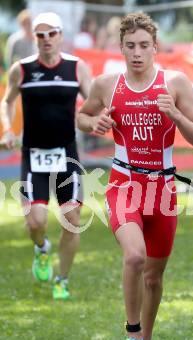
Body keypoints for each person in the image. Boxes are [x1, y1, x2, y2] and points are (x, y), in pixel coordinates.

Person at [77, 12, 193, 340]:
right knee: (134, 256)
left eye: (143, 46)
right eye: (130, 46)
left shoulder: (175, 84)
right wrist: (95, 123)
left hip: (163, 191)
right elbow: (83, 119)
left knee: (153, 277)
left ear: (155, 47)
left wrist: (177, 116)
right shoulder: (106, 85)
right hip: (123, 185)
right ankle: (133, 337)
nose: (137, 53)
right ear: (121, 48)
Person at [0, 12, 91, 300]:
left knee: (72, 218)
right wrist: (7, 130)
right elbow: (8, 101)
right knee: (36, 222)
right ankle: (41, 248)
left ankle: (62, 279)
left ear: (61, 35)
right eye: (41, 35)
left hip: (67, 154)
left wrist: (93, 117)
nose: (46, 39)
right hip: (34, 155)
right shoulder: (22, 69)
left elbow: (93, 100)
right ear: (34, 38)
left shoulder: (76, 68)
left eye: (52, 33)